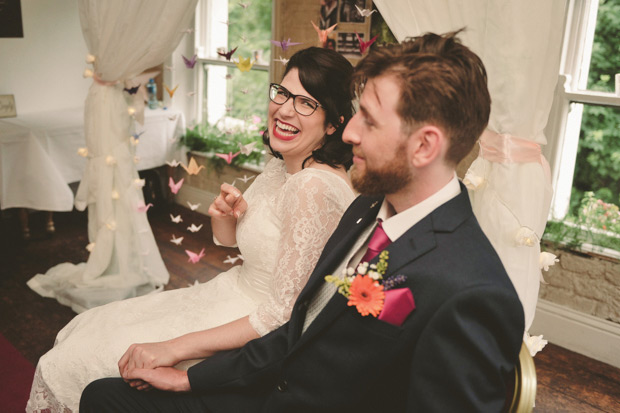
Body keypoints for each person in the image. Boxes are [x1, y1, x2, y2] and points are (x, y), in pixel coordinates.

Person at [81, 30, 525, 412]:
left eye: (368, 122)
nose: (348, 132)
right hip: (265, 389)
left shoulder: (472, 293)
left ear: (425, 146)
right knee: (104, 397)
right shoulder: (366, 210)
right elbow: (300, 325)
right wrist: (190, 378)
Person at [25, 46, 356, 413]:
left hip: (252, 329)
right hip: (227, 292)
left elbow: (283, 314)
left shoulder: (313, 188)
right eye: (283, 93)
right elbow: (231, 242)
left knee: (84, 357)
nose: (286, 109)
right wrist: (225, 215)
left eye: (307, 103)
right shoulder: (284, 166)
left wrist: (173, 348)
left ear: (333, 123)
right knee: (90, 326)